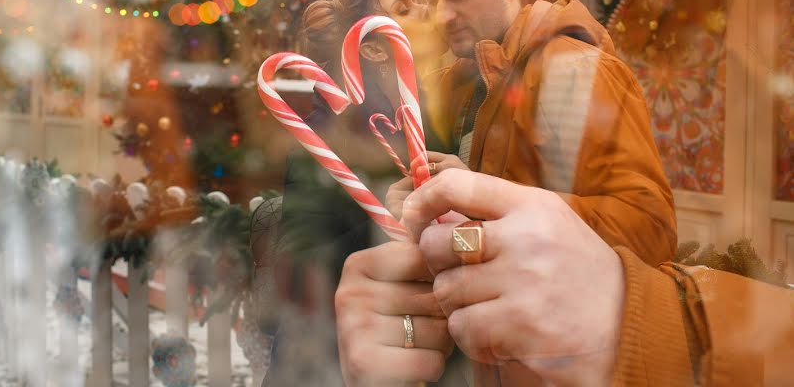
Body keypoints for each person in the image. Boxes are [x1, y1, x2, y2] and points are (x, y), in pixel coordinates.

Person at [387, 0, 677, 267]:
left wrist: (482, 195)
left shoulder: (576, 71)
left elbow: (649, 232)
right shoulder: (456, 83)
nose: (442, 16)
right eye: (432, 1)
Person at [336, 168, 794, 386]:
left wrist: (630, 317)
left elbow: (652, 225)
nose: (440, 9)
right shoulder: (475, 86)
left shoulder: (579, 63)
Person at [262, 0, 448, 386]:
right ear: (374, 45)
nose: (424, 11)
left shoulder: (433, 118)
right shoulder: (326, 135)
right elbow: (296, 267)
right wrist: (386, 222)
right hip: (335, 361)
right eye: (403, 8)